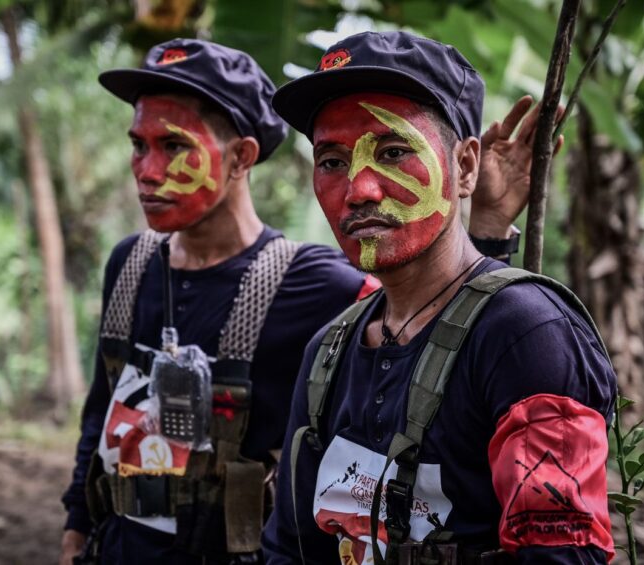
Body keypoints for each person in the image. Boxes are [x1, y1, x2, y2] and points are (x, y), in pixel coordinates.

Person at [59, 37, 549, 565]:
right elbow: (102, 410)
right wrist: (76, 531)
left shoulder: (318, 283)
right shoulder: (130, 264)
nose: (147, 170)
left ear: (242, 157)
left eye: (175, 146)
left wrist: (487, 231)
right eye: (138, 145)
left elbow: (436, 331)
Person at [262, 31, 617, 565]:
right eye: (331, 161)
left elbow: (563, 555)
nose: (358, 190)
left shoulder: (526, 333)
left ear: (466, 167)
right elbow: (289, 548)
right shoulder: (327, 353)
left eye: (394, 152)